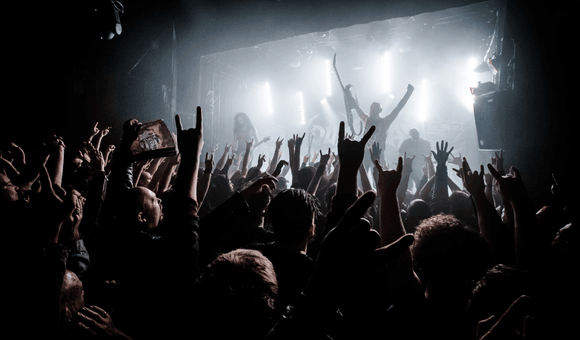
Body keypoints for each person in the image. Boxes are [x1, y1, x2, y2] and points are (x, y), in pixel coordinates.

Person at [355, 84, 414, 162]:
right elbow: (356, 108)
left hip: (378, 154)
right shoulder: (366, 119)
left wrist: (408, 93)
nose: (372, 110)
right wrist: (349, 95)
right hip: (366, 153)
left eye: (374, 108)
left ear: (379, 111)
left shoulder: (385, 122)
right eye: (371, 108)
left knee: (377, 173)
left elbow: (398, 108)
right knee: (362, 173)